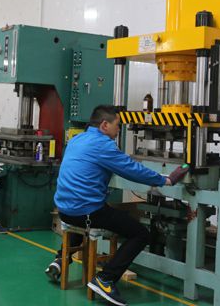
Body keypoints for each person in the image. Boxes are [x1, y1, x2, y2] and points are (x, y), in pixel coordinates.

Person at [44, 105, 188, 306]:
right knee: (140, 234)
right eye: (117, 125)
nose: (119, 130)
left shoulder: (77, 139)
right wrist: (165, 180)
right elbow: (132, 169)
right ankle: (106, 279)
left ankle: (61, 259)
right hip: (85, 213)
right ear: (104, 125)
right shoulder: (104, 145)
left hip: (64, 211)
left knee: (84, 209)